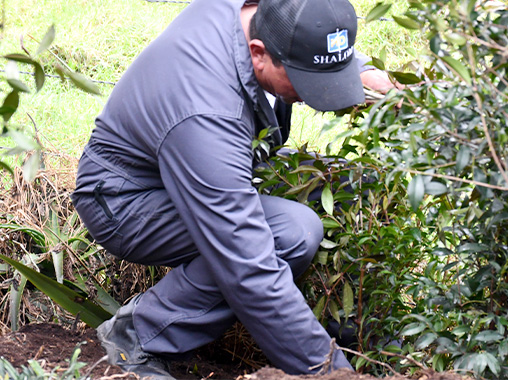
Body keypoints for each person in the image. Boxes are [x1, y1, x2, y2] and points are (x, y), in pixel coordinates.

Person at [71, 0, 394, 378]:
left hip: (207, 158)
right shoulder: (207, 110)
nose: (314, 97)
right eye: (306, 82)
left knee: (344, 181)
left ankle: (353, 331)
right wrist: (331, 372)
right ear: (259, 54)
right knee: (290, 234)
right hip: (126, 202)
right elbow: (247, 265)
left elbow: (309, 26)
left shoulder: (261, 13)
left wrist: (366, 76)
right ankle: (139, 335)